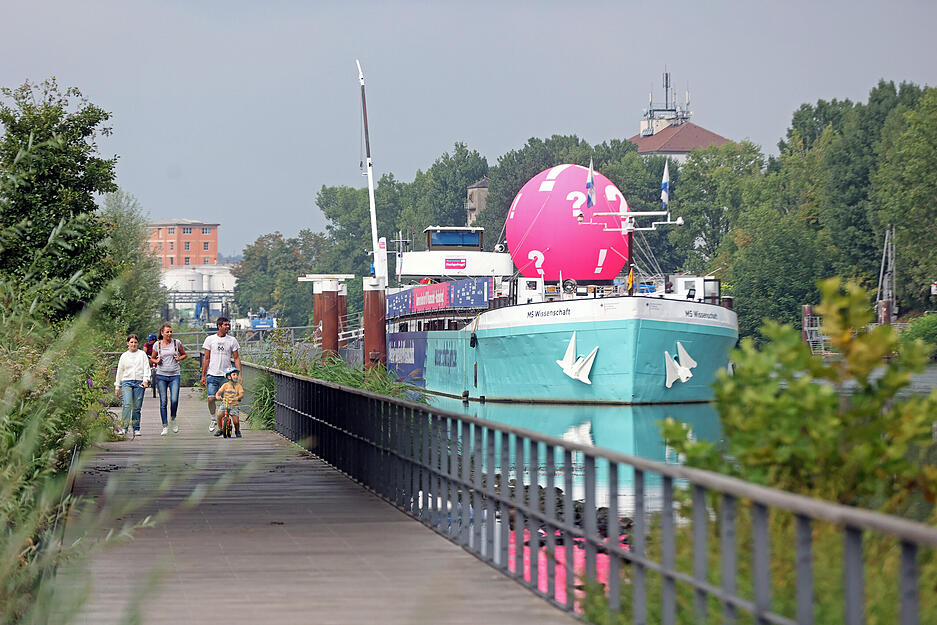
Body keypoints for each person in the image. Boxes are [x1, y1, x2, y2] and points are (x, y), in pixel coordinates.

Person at [200, 316, 241, 433]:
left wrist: (239, 374)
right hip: (212, 374)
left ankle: (226, 423)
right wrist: (203, 375)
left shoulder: (232, 340)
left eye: (228, 325)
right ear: (219, 326)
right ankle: (213, 417)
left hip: (227, 376)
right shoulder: (210, 339)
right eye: (225, 325)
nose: (228, 327)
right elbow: (206, 358)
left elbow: (237, 358)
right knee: (211, 398)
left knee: (228, 400)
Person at [150, 322, 188, 436]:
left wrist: (179, 358)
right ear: (162, 333)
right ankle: (165, 426)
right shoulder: (157, 345)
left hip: (175, 375)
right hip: (161, 375)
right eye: (167, 332)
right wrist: (157, 361)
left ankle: (173, 419)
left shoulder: (177, 343)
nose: (170, 334)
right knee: (163, 402)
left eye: (171, 332)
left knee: (174, 399)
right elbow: (152, 358)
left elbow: (184, 354)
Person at [114, 334, 151, 437]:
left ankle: (136, 428)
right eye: (131, 342)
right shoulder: (124, 356)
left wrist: (145, 380)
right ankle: (124, 427)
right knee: (127, 404)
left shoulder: (142, 354)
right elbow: (119, 371)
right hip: (127, 381)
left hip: (139, 382)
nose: (133, 344)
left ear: (137, 343)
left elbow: (146, 368)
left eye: (135, 342)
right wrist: (117, 386)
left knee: (137, 407)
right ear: (127, 343)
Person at [213, 367, 244, 438]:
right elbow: (219, 392)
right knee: (219, 415)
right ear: (229, 376)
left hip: (234, 405)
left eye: (237, 375)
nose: (236, 376)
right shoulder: (225, 385)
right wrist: (218, 396)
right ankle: (220, 429)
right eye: (234, 375)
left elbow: (241, 394)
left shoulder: (238, 386)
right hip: (225, 403)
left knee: (236, 421)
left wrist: (237, 397)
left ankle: (237, 431)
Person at [143, 333, 158, 397]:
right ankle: (147, 377)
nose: (149, 341)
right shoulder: (147, 344)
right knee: (147, 365)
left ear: (154, 340)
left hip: (157, 358)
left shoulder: (158, 344)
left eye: (150, 340)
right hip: (149, 358)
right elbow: (144, 352)